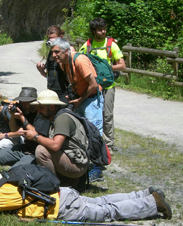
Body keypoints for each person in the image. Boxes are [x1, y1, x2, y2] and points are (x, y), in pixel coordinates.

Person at [0, 161, 172, 222]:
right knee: (100, 201)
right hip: (64, 194)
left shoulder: (0, 194)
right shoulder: (9, 178)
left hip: (62, 208)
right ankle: (144, 193)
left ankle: (152, 203)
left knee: (108, 212)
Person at [50, 37, 105, 183]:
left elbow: (93, 85)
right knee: (81, 133)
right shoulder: (64, 63)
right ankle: (85, 166)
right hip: (81, 99)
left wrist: (80, 100)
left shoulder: (79, 61)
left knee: (94, 133)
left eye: (57, 52)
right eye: (52, 52)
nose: (54, 55)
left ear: (66, 51)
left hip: (91, 100)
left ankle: (97, 169)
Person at [23, 90, 89, 189]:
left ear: (52, 107)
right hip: (72, 158)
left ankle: (50, 187)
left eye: (41, 108)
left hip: (78, 165)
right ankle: (64, 182)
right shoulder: (56, 117)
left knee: (41, 151)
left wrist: (35, 137)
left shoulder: (62, 119)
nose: (38, 111)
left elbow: (55, 146)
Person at [79, 17, 126, 154]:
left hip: (108, 85)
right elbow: (79, 60)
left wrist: (106, 67)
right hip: (93, 86)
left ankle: (109, 145)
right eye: (100, 30)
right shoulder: (87, 45)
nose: (103, 32)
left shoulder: (112, 45)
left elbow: (122, 65)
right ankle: (93, 142)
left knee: (107, 115)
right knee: (92, 114)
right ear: (93, 31)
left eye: (104, 29)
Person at [0, 87, 50, 167]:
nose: (23, 105)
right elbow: (14, 130)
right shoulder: (23, 110)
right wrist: (12, 116)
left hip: (37, 151)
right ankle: (24, 162)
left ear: (34, 102)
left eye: (25, 103)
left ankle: (26, 165)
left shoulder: (41, 113)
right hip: (26, 147)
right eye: (21, 102)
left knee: (16, 169)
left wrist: (22, 118)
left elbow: (36, 133)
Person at [36, 25, 72, 104]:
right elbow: (49, 76)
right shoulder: (51, 53)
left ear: (61, 37)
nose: (50, 41)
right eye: (49, 38)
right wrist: (41, 70)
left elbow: (71, 74)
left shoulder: (66, 51)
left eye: (53, 38)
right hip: (51, 92)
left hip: (64, 92)